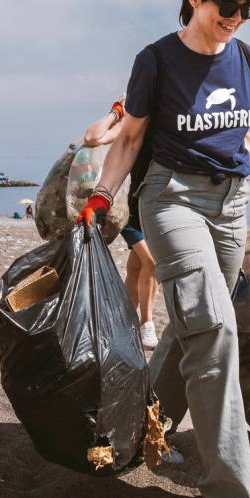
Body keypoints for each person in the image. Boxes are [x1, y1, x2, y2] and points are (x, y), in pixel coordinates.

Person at [79, 0, 250, 498]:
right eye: (227, 4)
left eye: (248, 6)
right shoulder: (156, 61)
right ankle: (230, 493)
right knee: (217, 332)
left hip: (232, 205)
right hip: (171, 200)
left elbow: (238, 131)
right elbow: (129, 140)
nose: (237, 16)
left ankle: (134, 426)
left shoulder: (245, 57)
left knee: (194, 328)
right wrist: (101, 198)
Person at [83, 97, 159, 349]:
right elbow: (92, 138)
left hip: (155, 204)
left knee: (137, 268)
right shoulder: (128, 126)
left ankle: (121, 323)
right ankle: (146, 324)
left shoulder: (163, 125)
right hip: (125, 206)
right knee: (152, 263)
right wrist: (117, 111)